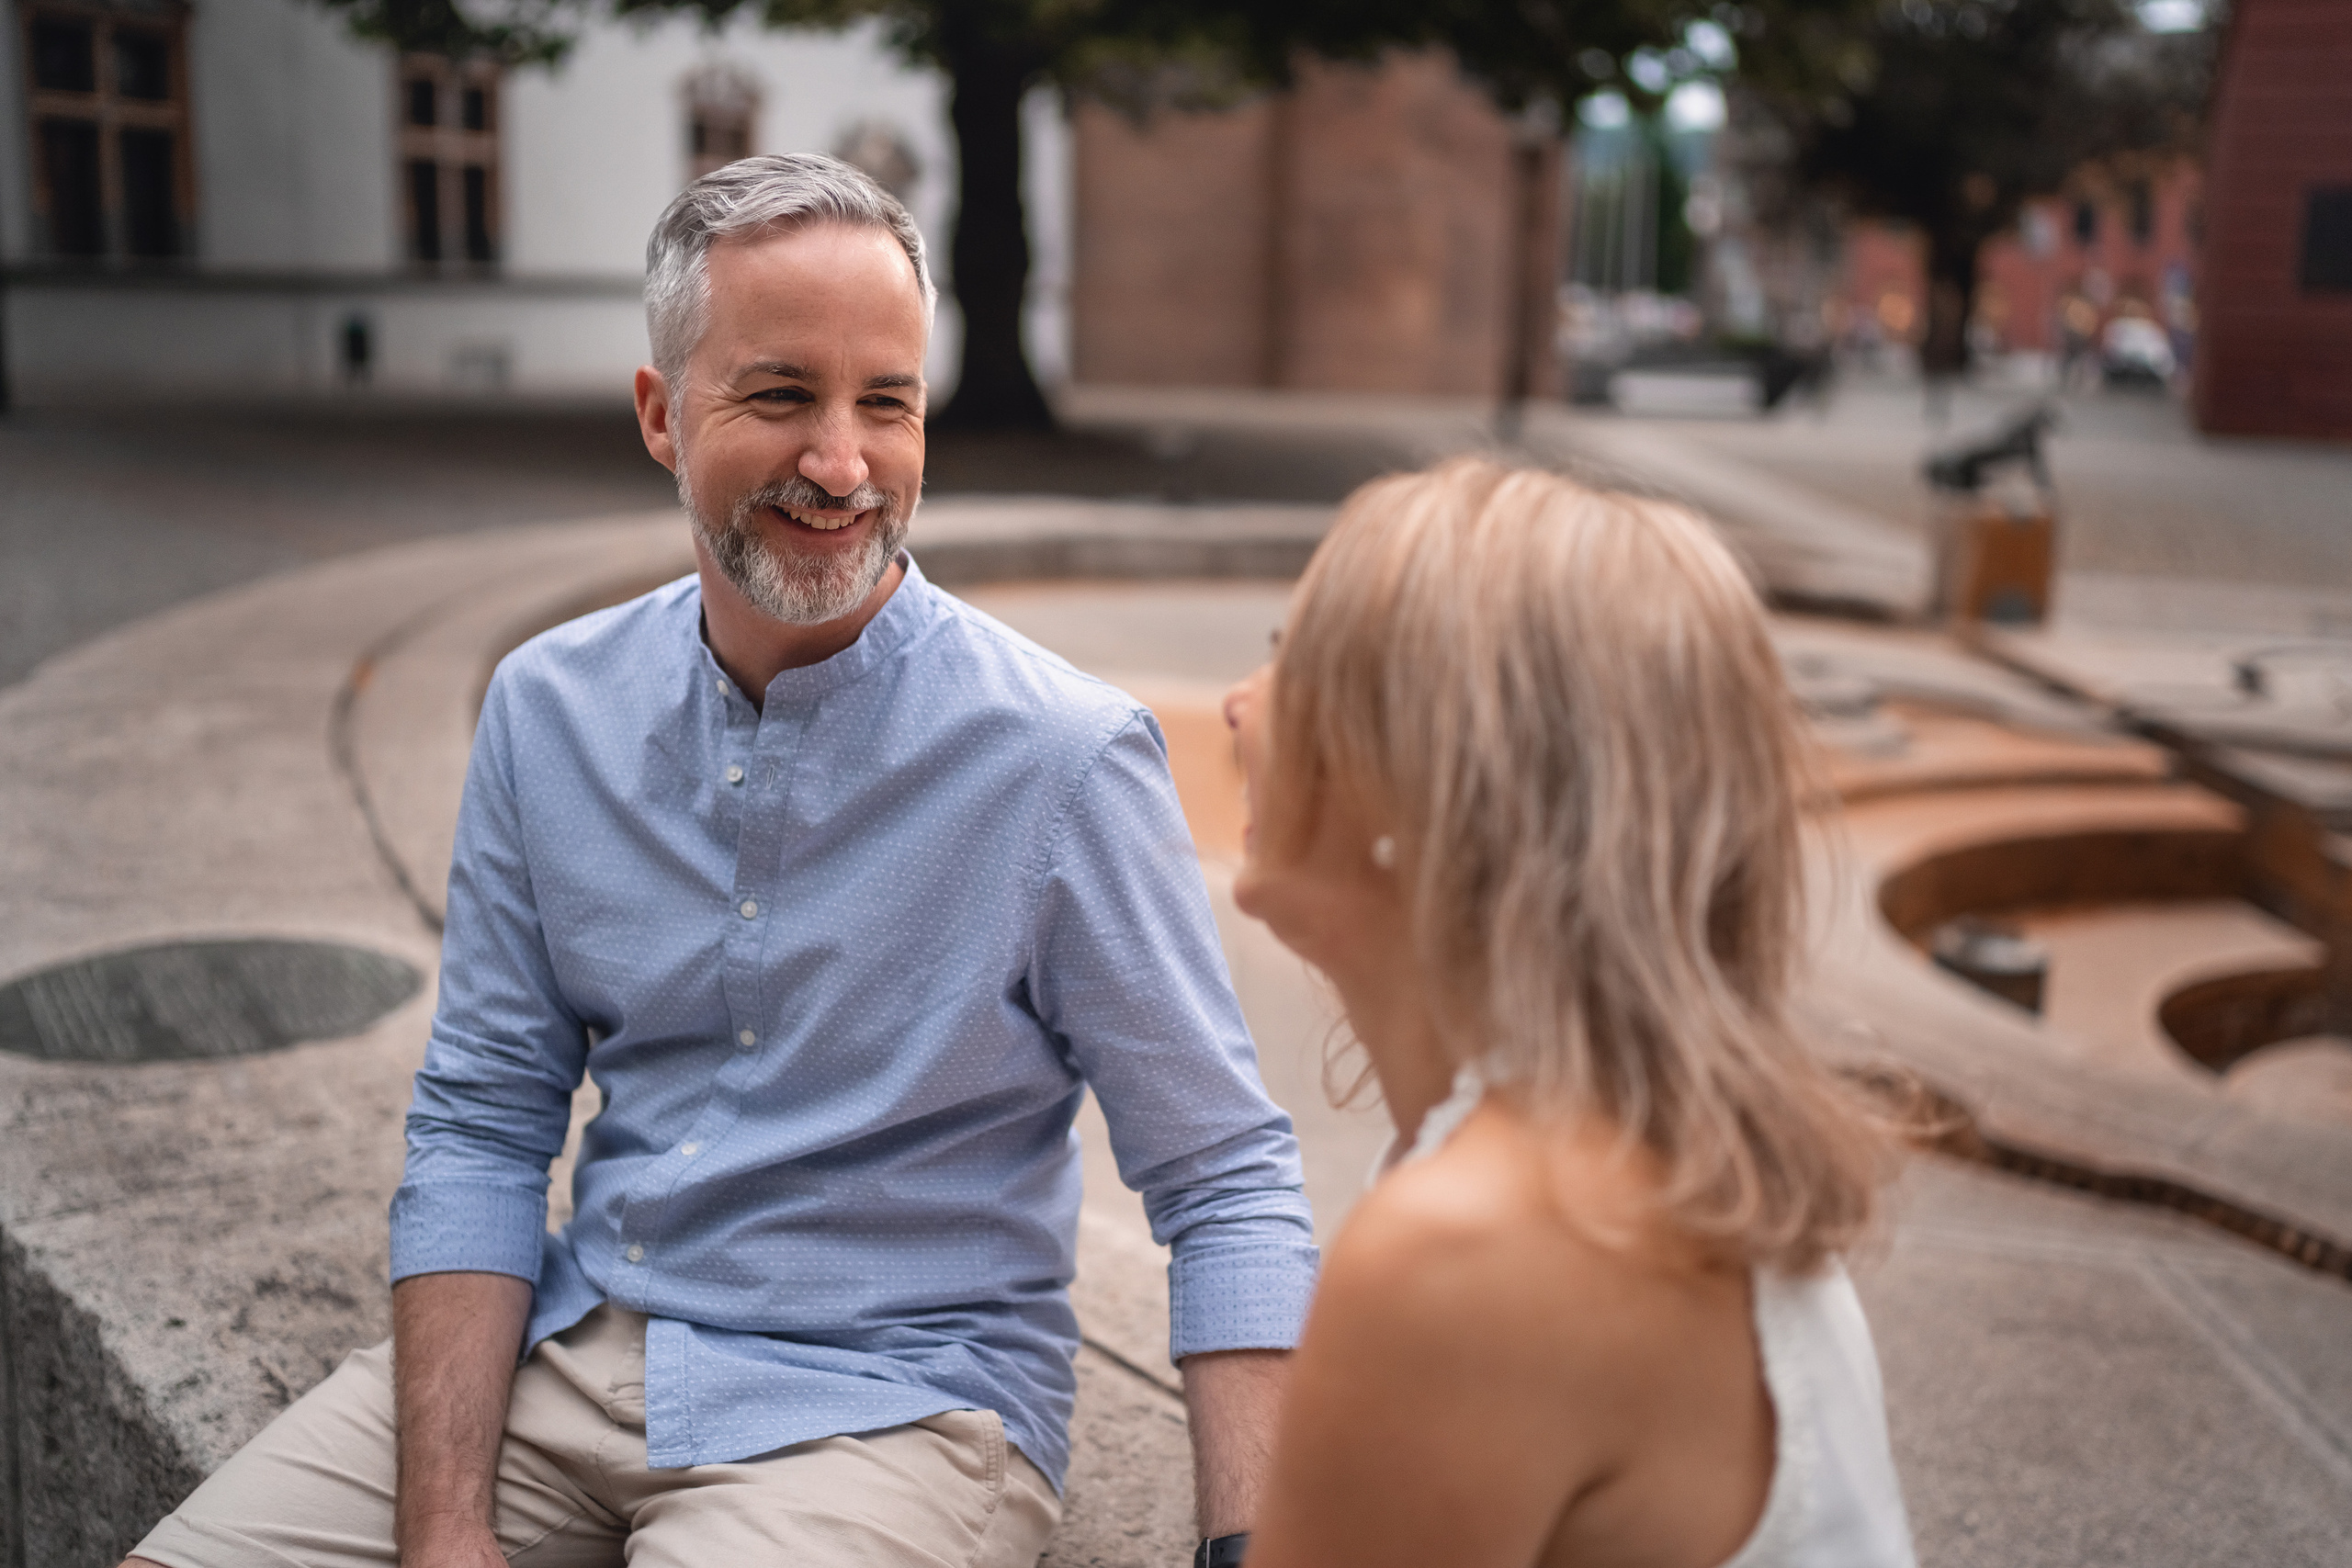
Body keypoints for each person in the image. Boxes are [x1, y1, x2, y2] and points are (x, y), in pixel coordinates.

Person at [123, 153, 1312, 1568]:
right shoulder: (547, 706)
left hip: (891, 1412)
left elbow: (1226, 1173)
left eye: (888, 401)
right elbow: (486, 1120)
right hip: (568, 1355)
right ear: (659, 415)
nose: (842, 463)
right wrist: (441, 1524)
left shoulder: (1061, 755)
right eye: (781, 393)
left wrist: (1253, 1545)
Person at [1223, 459, 1917, 1568]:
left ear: (1421, 779)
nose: (1238, 705)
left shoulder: (1474, 1255)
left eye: (1287, 664)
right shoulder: (1657, 1158)